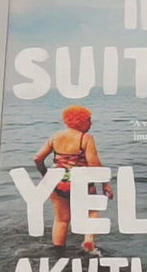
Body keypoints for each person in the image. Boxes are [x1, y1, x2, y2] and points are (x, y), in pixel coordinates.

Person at [34, 105, 113, 254]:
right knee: (92, 210)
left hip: (58, 182)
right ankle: (88, 241)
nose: (91, 123)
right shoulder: (86, 138)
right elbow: (94, 163)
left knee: (61, 219)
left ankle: (58, 251)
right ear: (80, 122)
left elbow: (38, 158)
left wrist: (45, 174)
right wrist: (105, 184)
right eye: (89, 120)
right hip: (81, 182)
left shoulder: (55, 137)